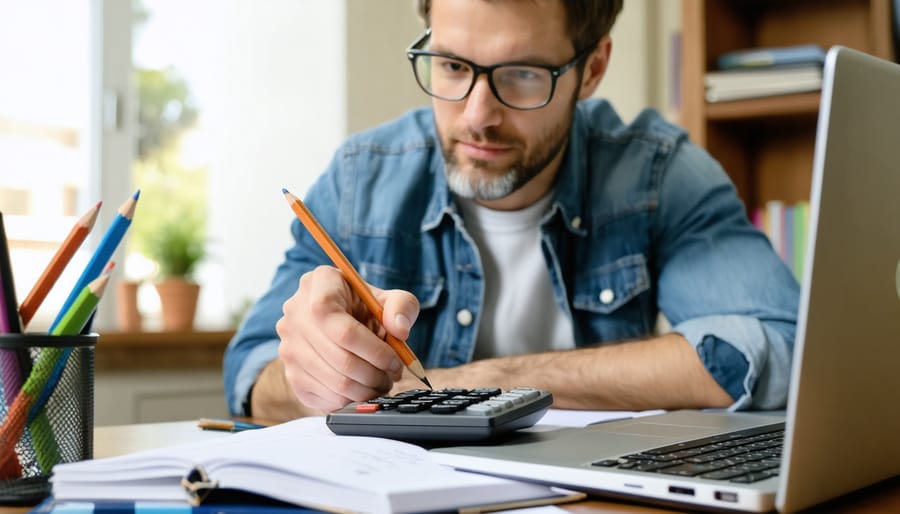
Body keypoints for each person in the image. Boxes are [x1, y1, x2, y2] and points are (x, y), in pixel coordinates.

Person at [223, 0, 799, 421]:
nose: (477, 115)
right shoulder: (359, 179)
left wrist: (485, 383)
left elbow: (782, 346)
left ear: (592, 68)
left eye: (522, 75)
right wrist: (313, 368)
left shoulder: (658, 175)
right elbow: (250, 379)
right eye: (451, 66)